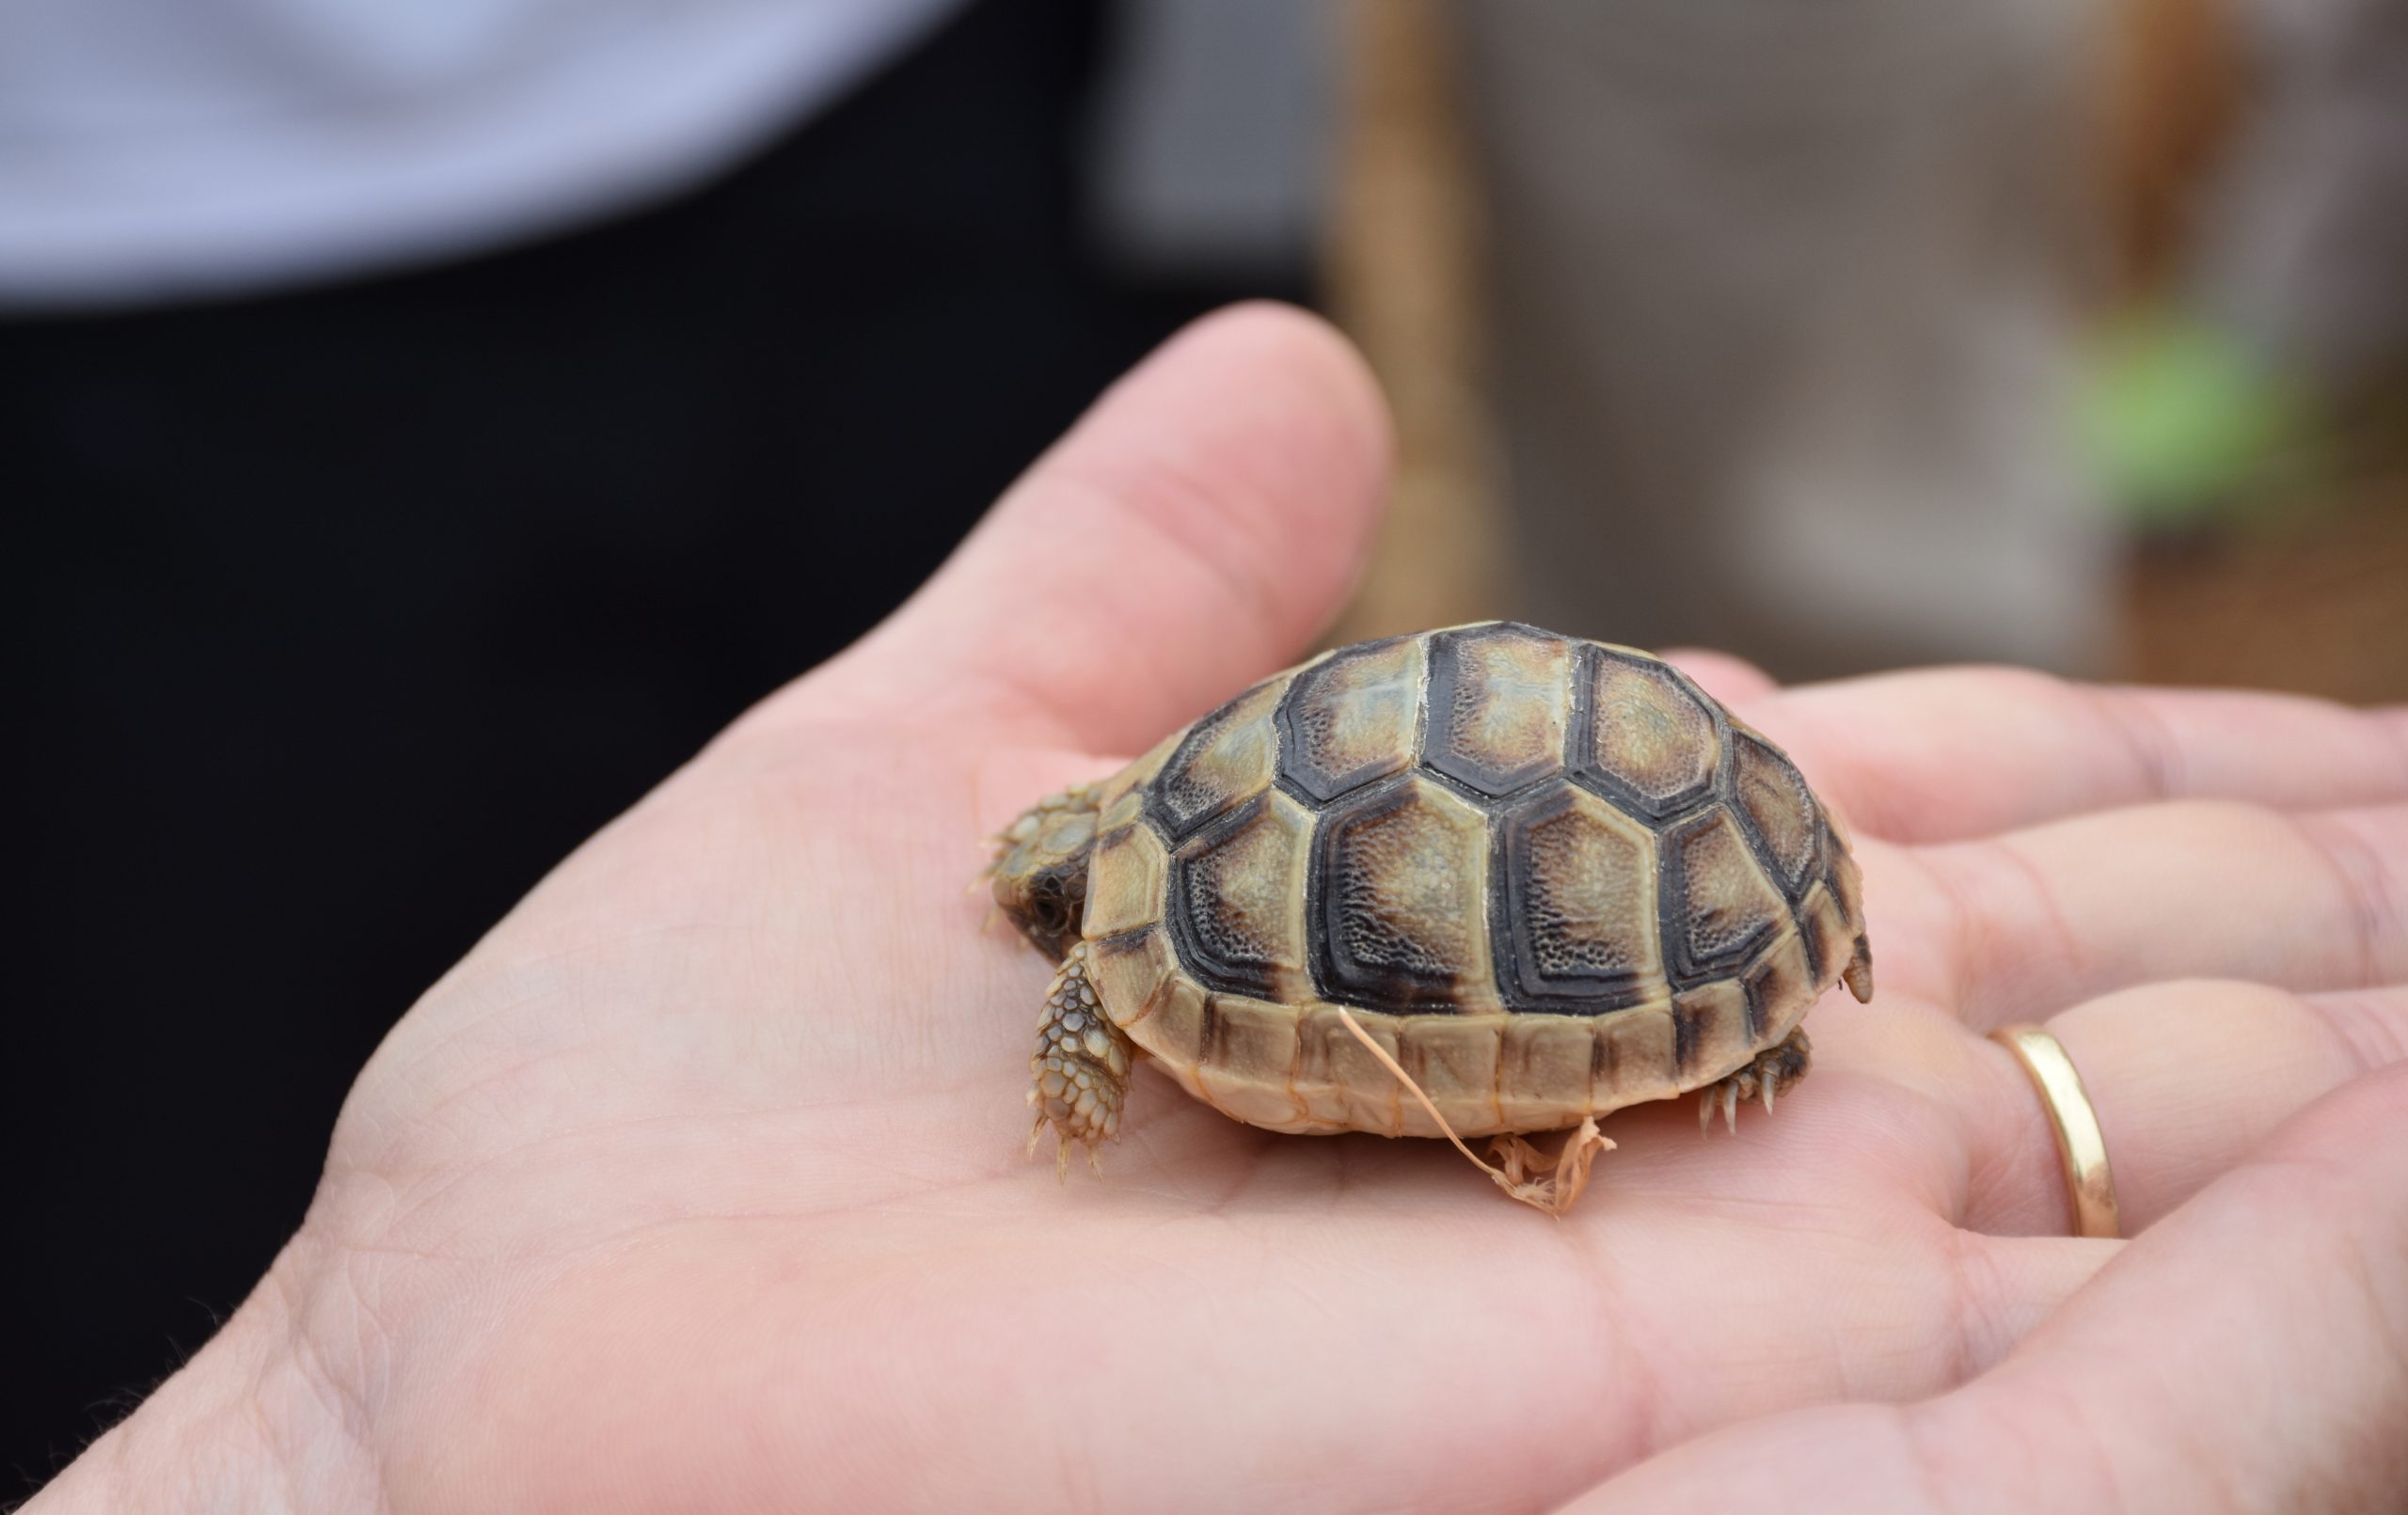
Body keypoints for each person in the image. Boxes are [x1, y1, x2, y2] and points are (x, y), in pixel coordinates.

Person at [27, 307, 2407, 1512]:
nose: (1035, 907)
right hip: (1651, 810)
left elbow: (1097, 971)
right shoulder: (1165, 822)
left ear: (1091, 881)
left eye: (1056, 898)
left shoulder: (1128, 964)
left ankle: (1743, 1017)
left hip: (1644, 873)